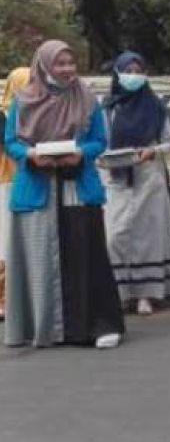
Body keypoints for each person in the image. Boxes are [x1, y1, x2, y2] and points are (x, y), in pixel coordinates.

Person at [4, 41, 125, 349]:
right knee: (39, 259)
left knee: (86, 254)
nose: (67, 69)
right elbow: (11, 141)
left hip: (77, 187)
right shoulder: (24, 100)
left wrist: (81, 154)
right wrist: (30, 154)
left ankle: (95, 326)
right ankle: (43, 328)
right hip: (37, 188)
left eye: (71, 63)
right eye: (60, 64)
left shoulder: (86, 99)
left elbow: (100, 139)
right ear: (43, 66)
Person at [100, 52, 170, 316]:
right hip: (116, 178)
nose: (134, 75)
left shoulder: (155, 106)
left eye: (138, 70)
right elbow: (101, 142)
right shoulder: (109, 108)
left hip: (148, 177)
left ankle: (146, 295)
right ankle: (120, 293)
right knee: (115, 235)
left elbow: (169, 141)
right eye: (128, 70)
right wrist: (101, 159)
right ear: (118, 74)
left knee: (148, 235)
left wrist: (153, 150)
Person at [0, 67, 31, 322]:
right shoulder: (3, 115)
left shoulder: (39, 113)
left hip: (29, 181)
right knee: (4, 241)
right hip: (5, 180)